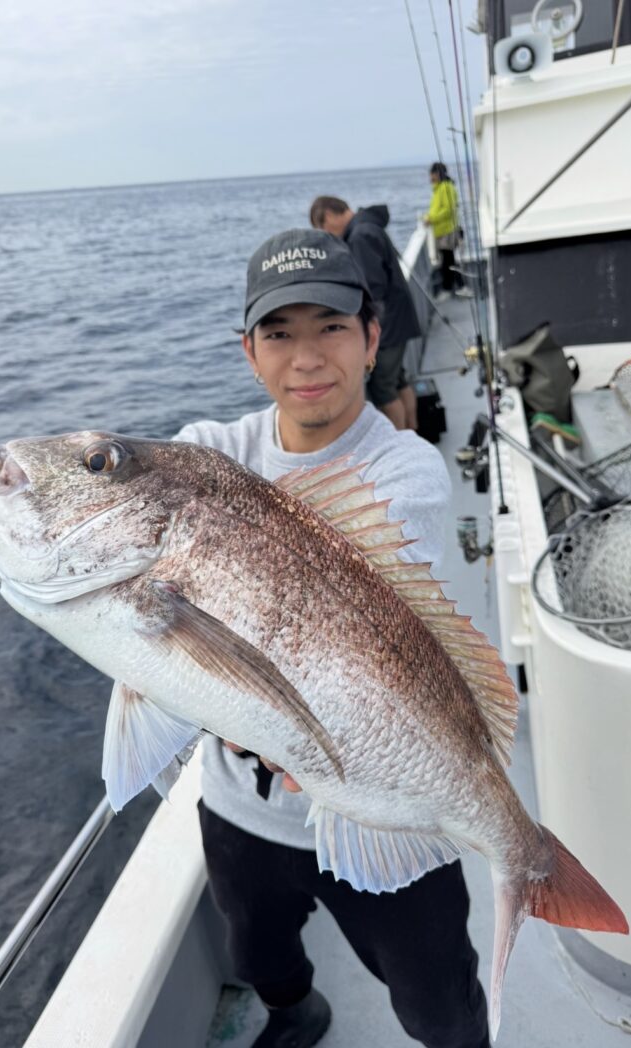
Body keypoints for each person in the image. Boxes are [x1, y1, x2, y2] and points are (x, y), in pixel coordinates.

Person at [173, 227, 490, 1048]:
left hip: (388, 805)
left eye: (332, 327)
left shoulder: (405, 470)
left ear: (373, 337)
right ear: (249, 352)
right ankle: (297, 1011)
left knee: (439, 1004)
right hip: (244, 805)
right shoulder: (209, 454)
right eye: (280, 333)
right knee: (258, 954)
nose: (307, 358)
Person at [309, 195, 420, 431]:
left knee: (384, 390)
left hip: (387, 327)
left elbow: (372, 289)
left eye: (323, 227)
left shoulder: (360, 237)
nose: (327, 234)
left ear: (329, 216)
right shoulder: (367, 226)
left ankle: (400, 442)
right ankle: (413, 430)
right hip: (397, 320)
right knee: (399, 380)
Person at [424, 163, 472, 300]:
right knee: (448, 260)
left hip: (448, 231)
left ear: (437, 174)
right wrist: (428, 217)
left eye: (432, 174)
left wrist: (431, 219)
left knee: (448, 261)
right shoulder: (439, 188)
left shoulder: (445, 187)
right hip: (442, 231)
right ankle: (457, 287)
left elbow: (448, 210)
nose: (430, 177)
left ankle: (455, 288)